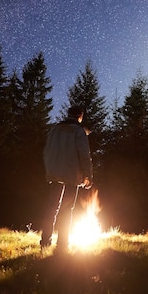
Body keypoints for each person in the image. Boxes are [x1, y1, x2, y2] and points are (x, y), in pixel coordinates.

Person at [41, 105, 93, 252]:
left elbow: (47, 151)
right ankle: (62, 244)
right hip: (71, 174)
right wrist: (88, 175)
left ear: (68, 114)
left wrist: (49, 170)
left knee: (52, 207)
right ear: (80, 116)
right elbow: (84, 154)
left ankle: (45, 242)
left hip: (55, 173)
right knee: (67, 208)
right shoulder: (78, 131)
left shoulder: (55, 129)